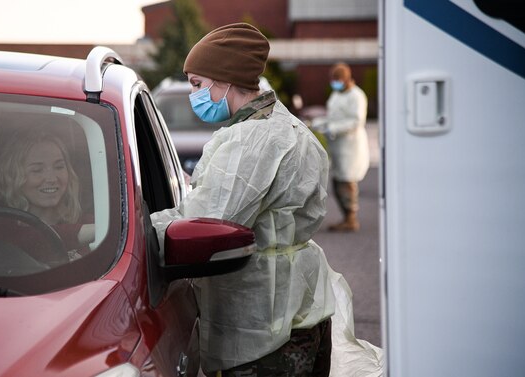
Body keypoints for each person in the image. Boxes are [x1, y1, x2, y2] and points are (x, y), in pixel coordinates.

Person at [150, 23, 336, 376]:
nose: (194, 96)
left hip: (265, 324)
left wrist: (140, 233)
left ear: (225, 80)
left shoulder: (248, 142)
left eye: (197, 84)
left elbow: (204, 224)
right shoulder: (289, 126)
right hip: (301, 308)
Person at [0, 129, 92, 263]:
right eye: (37, 170)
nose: (51, 178)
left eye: (59, 167)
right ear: (13, 177)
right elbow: (26, 241)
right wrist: (84, 233)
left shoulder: (90, 223)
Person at [312, 63, 370, 232]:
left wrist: (333, 128)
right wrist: (318, 123)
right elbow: (332, 118)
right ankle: (346, 217)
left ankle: (351, 219)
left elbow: (356, 121)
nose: (335, 83)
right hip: (337, 146)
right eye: (334, 79)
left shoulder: (356, 96)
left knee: (347, 181)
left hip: (350, 146)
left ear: (346, 79)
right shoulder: (337, 94)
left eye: (338, 80)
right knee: (338, 181)